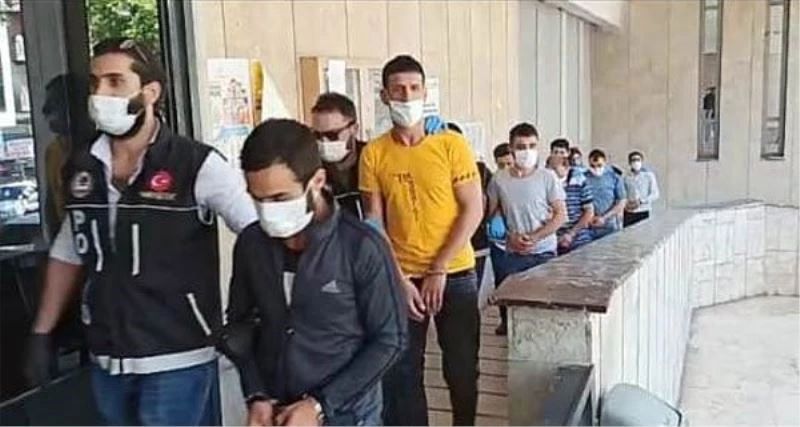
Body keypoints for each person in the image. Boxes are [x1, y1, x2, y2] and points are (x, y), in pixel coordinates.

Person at [27, 38, 257, 426]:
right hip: (107, 357)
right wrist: (42, 331)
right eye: (95, 83)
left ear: (150, 92)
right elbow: (69, 250)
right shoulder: (83, 166)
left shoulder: (195, 164)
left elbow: (255, 235)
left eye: (116, 82)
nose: (101, 94)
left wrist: (246, 315)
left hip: (176, 357)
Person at [219, 119, 407, 426]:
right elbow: (240, 325)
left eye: (280, 198)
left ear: (317, 181)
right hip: (276, 412)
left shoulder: (362, 247)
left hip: (348, 415)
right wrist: (256, 394)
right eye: (257, 199)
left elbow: (390, 340)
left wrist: (320, 404)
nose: (267, 210)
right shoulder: (252, 244)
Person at [360, 55, 483, 426]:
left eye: (414, 88)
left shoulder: (451, 145)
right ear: (384, 95)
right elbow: (374, 221)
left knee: (462, 367)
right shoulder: (374, 153)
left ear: (425, 93)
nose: (407, 96)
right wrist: (398, 279)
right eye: (398, 89)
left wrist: (439, 267)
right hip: (402, 280)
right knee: (402, 373)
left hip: (455, 273)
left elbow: (473, 209)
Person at [311, 92, 447, 220]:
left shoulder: (377, 158)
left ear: (354, 129)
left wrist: (434, 139)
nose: (324, 141)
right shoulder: (311, 170)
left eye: (332, 135)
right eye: (317, 135)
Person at [486, 123, 566, 336]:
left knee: (543, 310)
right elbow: (492, 215)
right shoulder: (499, 179)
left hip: (543, 253)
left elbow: (560, 215)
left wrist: (536, 237)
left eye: (532, 146)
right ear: (511, 149)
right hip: (512, 254)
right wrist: (507, 235)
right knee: (514, 311)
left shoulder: (547, 177)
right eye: (521, 146)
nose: (527, 151)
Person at [546, 155, 594, 255]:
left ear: (566, 168)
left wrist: (571, 234)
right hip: (554, 238)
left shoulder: (580, 181)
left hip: (579, 236)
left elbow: (589, 211)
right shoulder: (546, 185)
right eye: (549, 169)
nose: (551, 173)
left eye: (554, 169)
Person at [585, 149, 626, 240]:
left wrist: (604, 218)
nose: (596, 169)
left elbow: (622, 201)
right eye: (592, 166)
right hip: (589, 226)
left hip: (610, 225)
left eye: (599, 165)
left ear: (605, 162)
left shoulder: (614, 177)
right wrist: (588, 217)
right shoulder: (584, 178)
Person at [623, 151, 660, 227]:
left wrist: (641, 201)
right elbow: (622, 194)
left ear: (642, 161)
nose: (636, 162)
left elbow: (655, 194)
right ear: (629, 162)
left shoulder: (649, 176)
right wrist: (627, 204)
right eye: (633, 160)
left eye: (638, 160)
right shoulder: (625, 177)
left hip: (643, 210)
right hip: (629, 212)